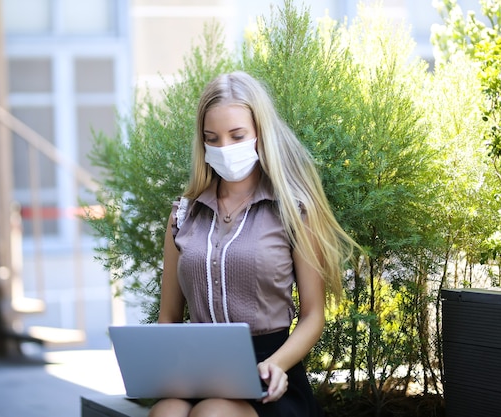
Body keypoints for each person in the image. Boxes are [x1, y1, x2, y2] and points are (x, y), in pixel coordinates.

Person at [149, 71, 357, 417]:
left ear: (260, 133)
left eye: (237, 136)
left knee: (213, 414)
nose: (224, 149)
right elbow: (168, 317)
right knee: (166, 412)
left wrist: (276, 365)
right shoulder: (183, 215)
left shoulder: (293, 210)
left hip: (269, 373)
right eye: (211, 138)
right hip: (198, 371)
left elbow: (313, 316)